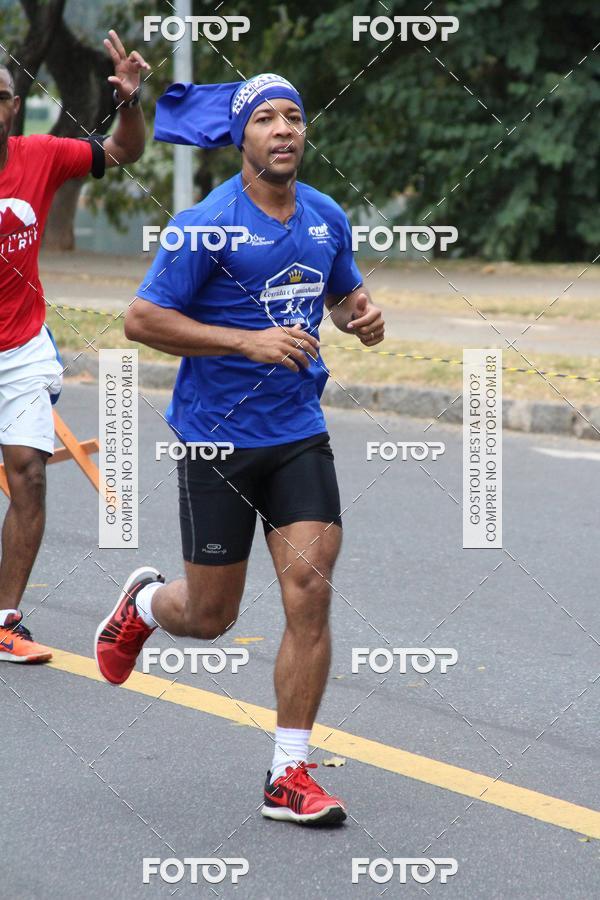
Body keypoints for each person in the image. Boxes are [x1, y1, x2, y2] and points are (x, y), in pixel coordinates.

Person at [94, 73, 385, 825]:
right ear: (240, 137)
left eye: (294, 116)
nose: (284, 129)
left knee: (310, 589)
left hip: (297, 433)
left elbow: (341, 294)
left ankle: (289, 773)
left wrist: (361, 315)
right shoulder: (204, 224)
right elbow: (140, 320)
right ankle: (146, 605)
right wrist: (245, 341)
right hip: (216, 438)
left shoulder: (325, 216)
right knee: (210, 616)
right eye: (266, 119)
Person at [0, 31, 149, 663]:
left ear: (13, 107)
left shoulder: (39, 155)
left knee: (29, 473)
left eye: (0, 96)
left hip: (20, 348)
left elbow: (123, 151)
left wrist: (129, 102)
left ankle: (5, 619)